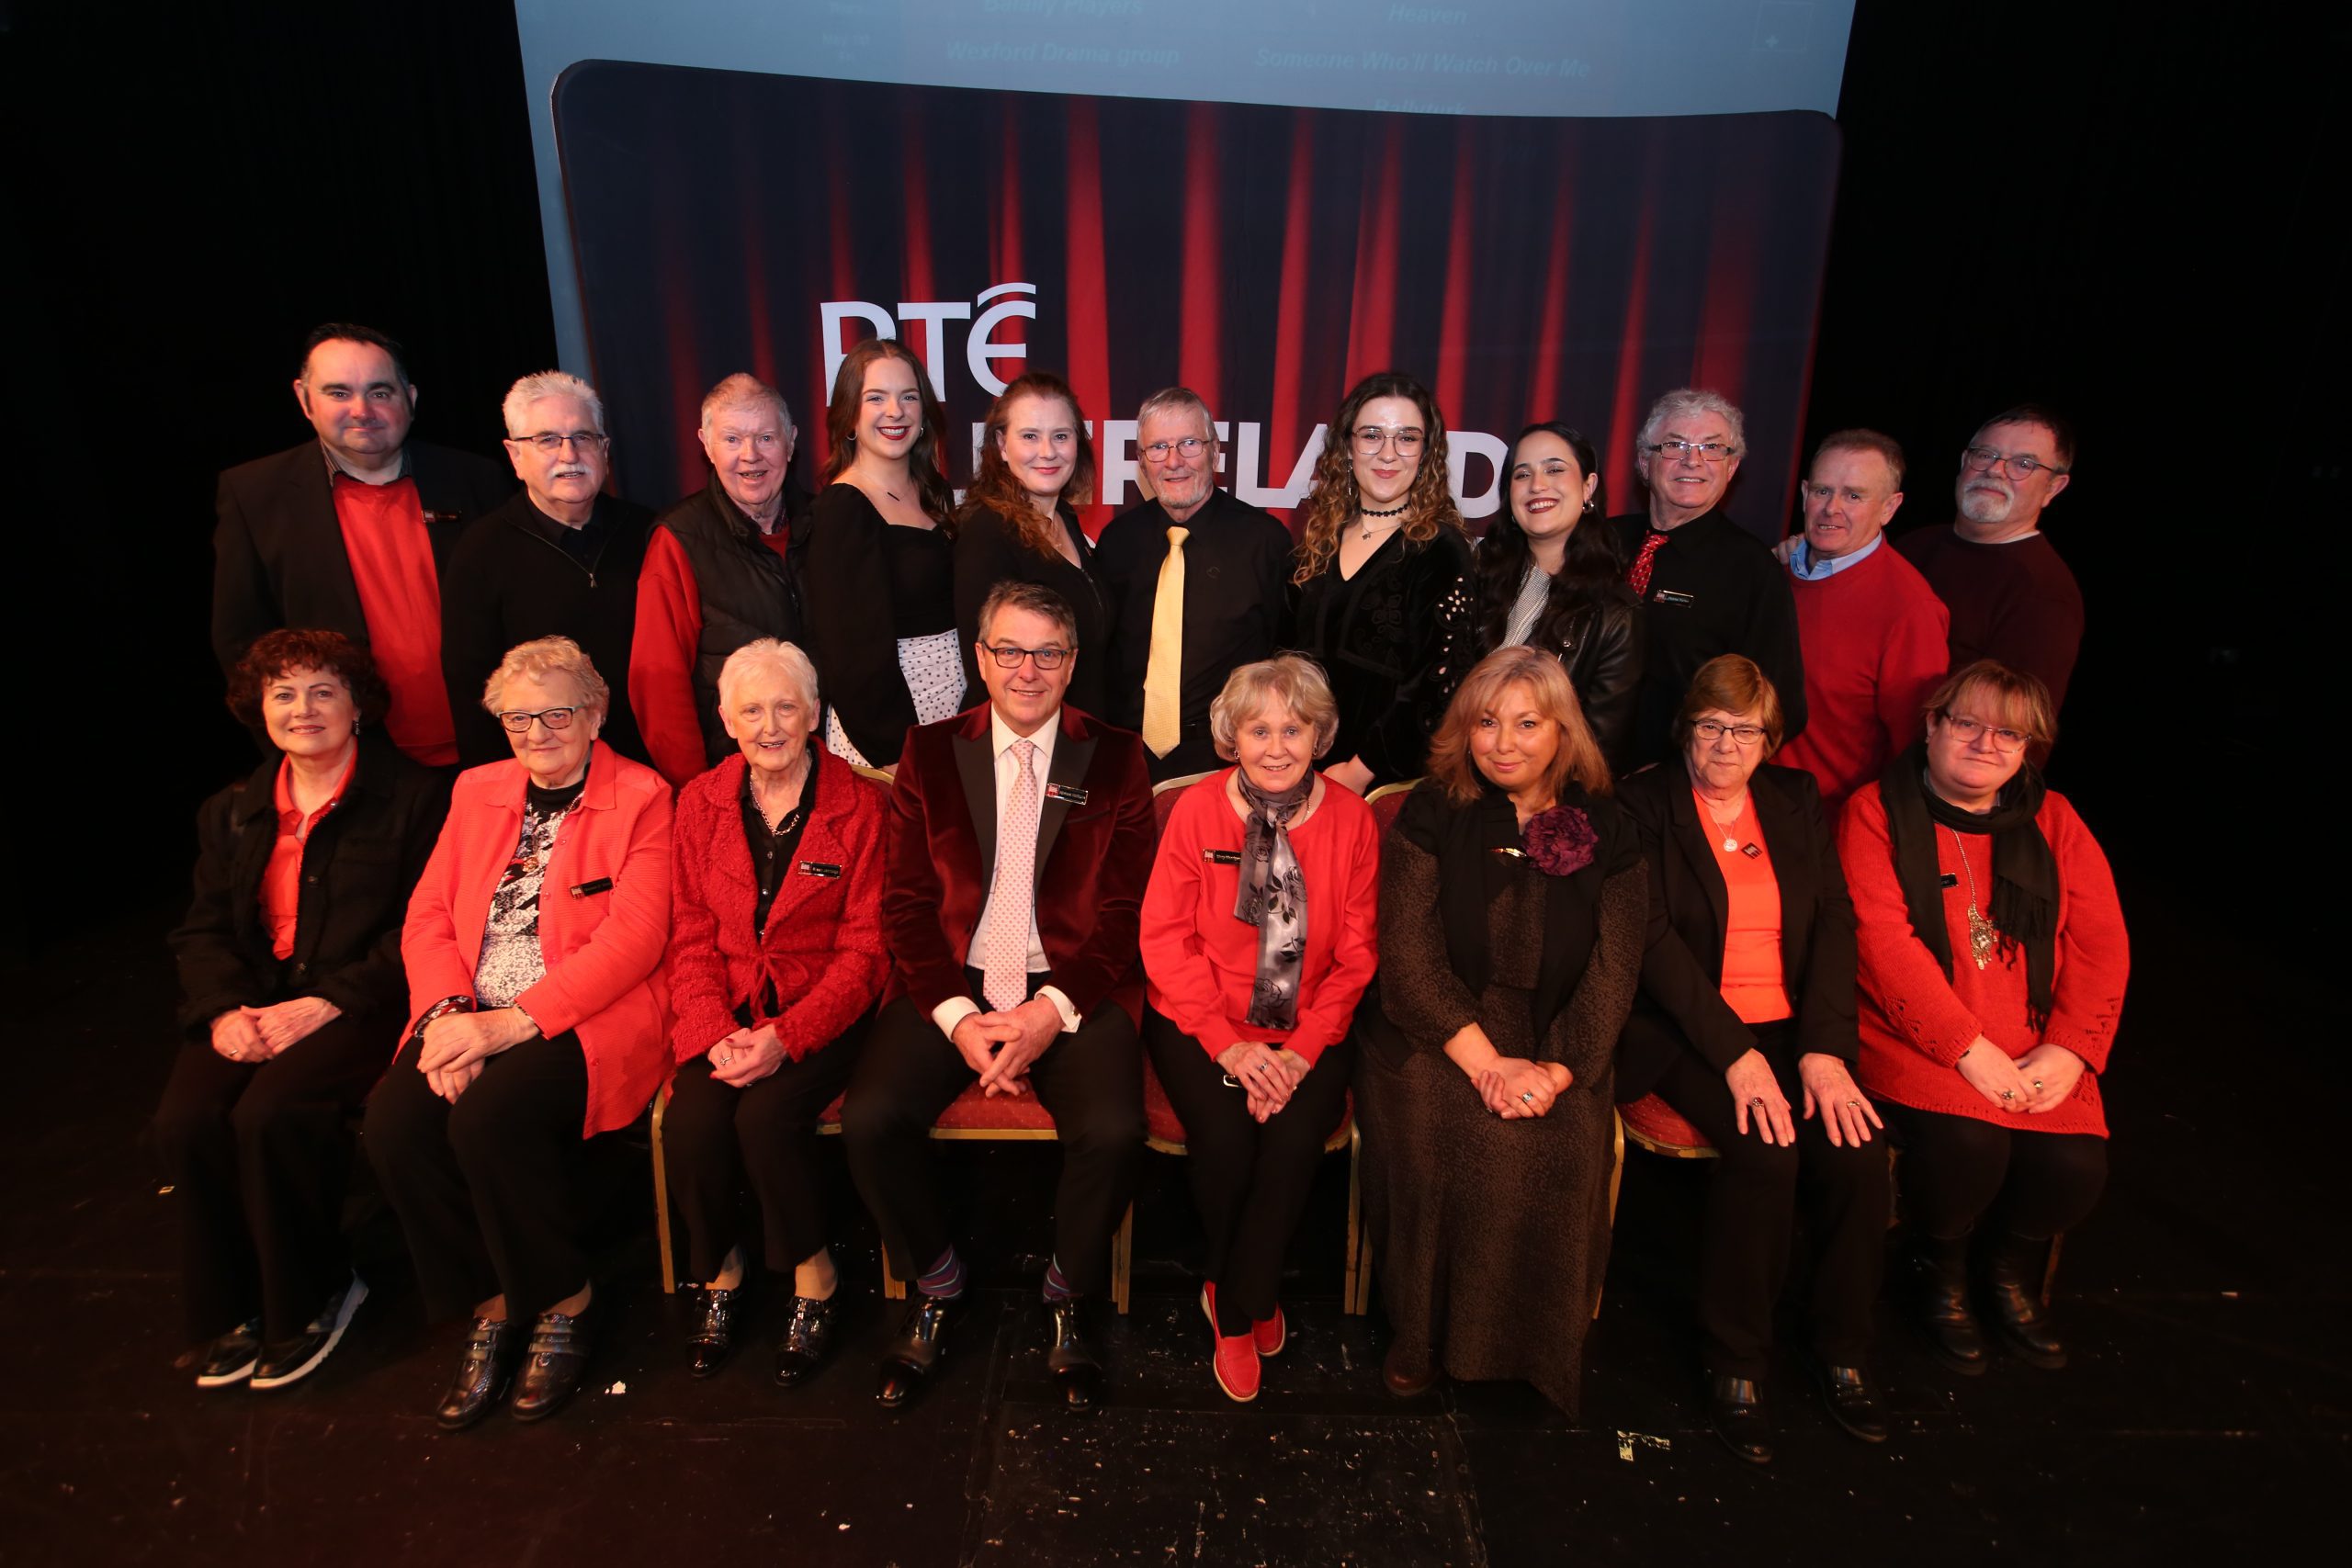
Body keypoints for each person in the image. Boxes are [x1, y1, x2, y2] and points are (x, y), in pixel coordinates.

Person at [841, 581, 1154, 1416]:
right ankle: (938, 1282)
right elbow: (905, 904)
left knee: (1118, 1130)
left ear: (1072, 664)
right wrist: (957, 1017)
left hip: (1072, 982)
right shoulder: (930, 750)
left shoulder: (1117, 757)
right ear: (980, 657)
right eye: (1009, 650)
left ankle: (1065, 1293)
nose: (1027, 669)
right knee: (870, 1117)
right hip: (953, 978)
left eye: (1047, 653)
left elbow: (1123, 916)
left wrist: (1047, 1014)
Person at [364, 637, 673, 1430]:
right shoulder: (476, 790)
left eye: (557, 712)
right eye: (517, 719)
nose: (538, 733)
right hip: (465, 1011)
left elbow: (633, 942)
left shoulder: (642, 794)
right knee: (396, 1122)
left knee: (489, 1119)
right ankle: (494, 1300)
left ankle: (566, 1297)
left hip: (585, 1012)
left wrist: (509, 1025)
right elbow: (429, 915)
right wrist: (444, 1016)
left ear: (596, 713)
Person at [155, 631, 448, 1391]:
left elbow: (421, 928)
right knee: (186, 1120)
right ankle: (231, 1307)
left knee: (270, 1114)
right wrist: (223, 1012)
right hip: (253, 1001)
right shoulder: (232, 810)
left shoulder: (416, 799)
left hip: (364, 1001)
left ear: (359, 705)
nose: (303, 708)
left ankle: (314, 1293)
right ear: (260, 709)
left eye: (323, 690)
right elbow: (205, 928)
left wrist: (326, 1002)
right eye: (283, 693)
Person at [1356, 646, 1645, 1414]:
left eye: (1526, 723)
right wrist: (1488, 1064)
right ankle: (1420, 1339)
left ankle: (1535, 1351)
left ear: (1563, 731)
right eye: (1486, 722)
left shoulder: (1609, 821)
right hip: (1438, 1026)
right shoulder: (1431, 806)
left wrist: (1554, 1070)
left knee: (1558, 1142)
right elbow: (1407, 957)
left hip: (1558, 1033)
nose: (1503, 742)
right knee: (1442, 1131)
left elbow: (1615, 968)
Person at [1616, 655, 1886, 1464]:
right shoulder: (1642, 802)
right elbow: (1652, 942)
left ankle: (1839, 1345)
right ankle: (1737, 1357)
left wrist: (1825, 1051)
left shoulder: (1796, 801)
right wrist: (1736, 1052)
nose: (1726, 745)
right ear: (1685, 729)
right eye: (1710, 726)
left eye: (1744, 730)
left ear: (1770, 740)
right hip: (1683, 1027)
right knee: (1766, 1150)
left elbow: (1835, 925)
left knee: (1857, 1150)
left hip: (1792, 1025)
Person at [1842, 660, 2127, 1376]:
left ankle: (2002, 1276)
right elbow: (1881, 942)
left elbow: (2101, 945)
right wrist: (1964, 1046)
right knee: (1969, 1147)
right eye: (1966, 723)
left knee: (2071, 1162)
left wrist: (2069, 1049)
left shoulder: (2057, 819)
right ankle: (1939, 1273)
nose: (1985, 744)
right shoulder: (1874, 810)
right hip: (1914, 1033)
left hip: (2035, 1039)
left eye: (2008, 733)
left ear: (2028, 747)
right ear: (1933, 725)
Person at [1138, 655, 1379, 1402]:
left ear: (1320, 736)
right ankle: (1250, 1305)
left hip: (1310, 1023)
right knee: (1228, 1136)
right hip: (1200, 1018)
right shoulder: (1195, 811)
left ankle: (1232, 1296)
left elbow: (1359, 955)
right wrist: (1232, 1046)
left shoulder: (1353, 819)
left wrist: (1299, 1053)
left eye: (1294, 728)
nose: (1277, 745)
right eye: (1259, 728)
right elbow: (1165, 939)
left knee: (1294, 1139)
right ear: (1230, 737)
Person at [662, 639, 889, 1384]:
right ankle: (723, 1271)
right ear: (725, 719)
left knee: (764, 1118)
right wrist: (713, 1031)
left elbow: (866, 953)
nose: (770, 725)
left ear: (814, 714)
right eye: (752, 709)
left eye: (786, 706)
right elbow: (690, 935)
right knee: (694, 1120)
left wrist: (786, 1038)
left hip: (827, 1011)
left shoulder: (861, 806)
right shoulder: (697, 803)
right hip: (724, 1011)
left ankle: (813, 1272)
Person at [211, 322, 511, 766]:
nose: (361, 409)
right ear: (304, 399)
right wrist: (297, 755)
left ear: (410, 399)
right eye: (338, 393)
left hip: (491, 749)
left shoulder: (476, 480)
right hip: (353, 766)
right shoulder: (255, 495)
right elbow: (242, 643)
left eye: (379, 392)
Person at [441, 371, 652, 767]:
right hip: (542, 774)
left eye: (583, 438)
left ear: (605, 450)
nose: (569, 455)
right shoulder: (480, 552)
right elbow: (472, 692)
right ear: (515, 456)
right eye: (547, 440)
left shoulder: (649, 532)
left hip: (648, 767)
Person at [1095, 388, 1295, 781]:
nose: (1174, 462)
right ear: (1142, 461)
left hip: (1226, 761)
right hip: (1125, 758)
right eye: (1158, 448)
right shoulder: (1117, 542)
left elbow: (1287, 658)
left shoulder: (1265, 542)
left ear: (1214, 451)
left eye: (1189, 444)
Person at [1290, 371, 1475, 793]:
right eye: (1372, 435)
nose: (1388, 453)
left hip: (1383, 786)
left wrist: (1360, 771)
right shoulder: (1321, 538)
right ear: (1348, 446)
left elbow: (1436, 687)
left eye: (1407, 438)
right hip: (1300, 771)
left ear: (1426, 452)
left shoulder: (1441, 550)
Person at [632, 374, 813, 786]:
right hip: (727, 779)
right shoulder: (679, 539)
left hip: (822, 769)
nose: (750, 456)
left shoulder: (826, 524)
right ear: (706, 445)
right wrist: (698, 791)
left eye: (766, 438)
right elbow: (658, 681)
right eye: (732, 440)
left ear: (791, 441)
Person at [1611, 388, 1807, 770]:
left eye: (1712, 448)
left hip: (1676, 786)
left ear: (1732, 468)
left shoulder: (1753, 570)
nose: (1693, 461)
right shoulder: (1602, 543)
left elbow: (1780, 707)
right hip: (1578, 768)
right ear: (1643, 461)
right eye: (1675, 445)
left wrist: (1694, 770)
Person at [801, 338, 965, 770]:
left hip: (954, 711)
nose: (896, 411)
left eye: (909, 397)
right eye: (876, 397)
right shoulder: (842, 509)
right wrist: (895, 754)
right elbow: (850, 654)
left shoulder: (934, 493)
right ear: (850, 415)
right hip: (889, 732)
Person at [1772, 430, 1950, 816]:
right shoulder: (1774, 573)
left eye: (1854, 496)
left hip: (1823, 828)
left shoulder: (1909, 610)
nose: (1831, 507)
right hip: (1738, 807)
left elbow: (1914, 750)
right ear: (1804, 493)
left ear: (1889, 508)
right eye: (1822, 491)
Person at [1461, 421, 1642, 772]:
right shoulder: (1476, 579)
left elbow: (1597, 754)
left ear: (1589, 486)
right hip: (1456, 785)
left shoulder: (1617, 613)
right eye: (1522, 474)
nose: (1537, 485)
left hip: (1545, 806)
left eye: (1555, 470)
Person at [1897, 405, 2084, 715]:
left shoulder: (2044, 595)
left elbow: (2015, 731)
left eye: (2023, 464)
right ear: (1964, 461)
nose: (1995, 470)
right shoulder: (1913, 545)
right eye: (1985, 455)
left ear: (2053, 487)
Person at [952, 371, 1116, 720]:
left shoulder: (1066, 517)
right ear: (1002, 445)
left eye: (1061, 436)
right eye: (1030, 436)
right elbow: (988, 674)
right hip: (1026, 745)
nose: (1048, 452)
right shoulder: (988, 532)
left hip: (1081, 734)